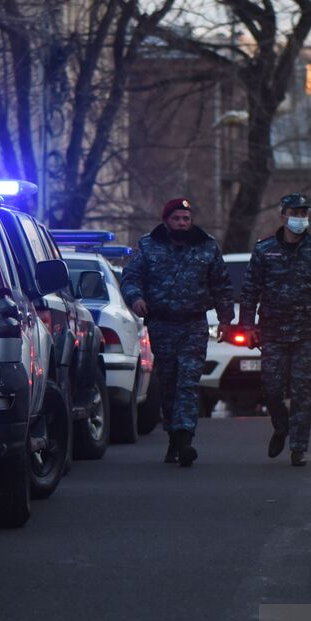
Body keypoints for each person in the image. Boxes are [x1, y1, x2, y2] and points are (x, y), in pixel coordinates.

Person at [238, 193, 311, 466]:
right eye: (295, 213)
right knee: (272, 388)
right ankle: (281, 426)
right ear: (283, 215)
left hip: (306, 330)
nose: (300, 218)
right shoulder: (264, 250)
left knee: (302, 388)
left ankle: (299, 447)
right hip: (273, 330)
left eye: (304, 214)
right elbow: (250, 290)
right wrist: (247, 326)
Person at [121, 197, 233, 467]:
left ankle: (185, 440)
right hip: (161, 324)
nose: (182, 223)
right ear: (166, 221)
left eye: (186, 218)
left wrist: (226, 319)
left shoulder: (207, 246)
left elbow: (221, 284)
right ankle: (173, 435)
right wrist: (135, 298)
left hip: (194, 324)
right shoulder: (149, 246)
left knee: (188, 381)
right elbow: (131, 277)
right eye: (176, 219)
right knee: (169, 383)